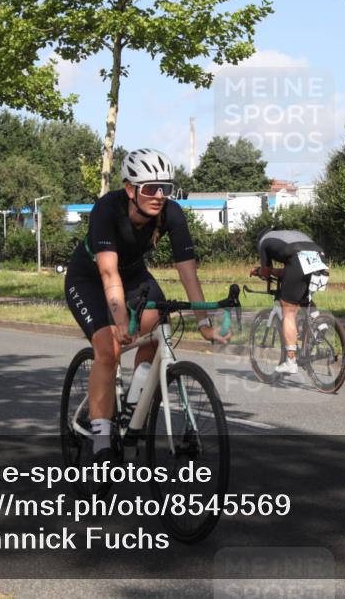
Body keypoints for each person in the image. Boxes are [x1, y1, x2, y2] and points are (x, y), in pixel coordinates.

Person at [64, 148, 231, 463]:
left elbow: (188, 273)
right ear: (130, 189)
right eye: (150, 188)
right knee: (108, 350)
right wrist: (118, 317)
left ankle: (133, 407)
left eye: (165, 189)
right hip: (88, 278)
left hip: (134, 276)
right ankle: (100, 437)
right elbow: (107, 271)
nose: (159, 196)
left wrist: (204, 323)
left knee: (159, 326)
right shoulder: (107, 209)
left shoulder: (172, 213)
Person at [250, 226, 328, 375]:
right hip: (320, 258)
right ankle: (320, 323)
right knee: (304, 296)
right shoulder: (288, 236)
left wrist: (258, 271)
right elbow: (290, 270)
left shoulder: (264, 242)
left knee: (288, 309)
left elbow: (266, 271)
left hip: (299, 260)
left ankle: (290, 362)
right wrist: (275, 272)